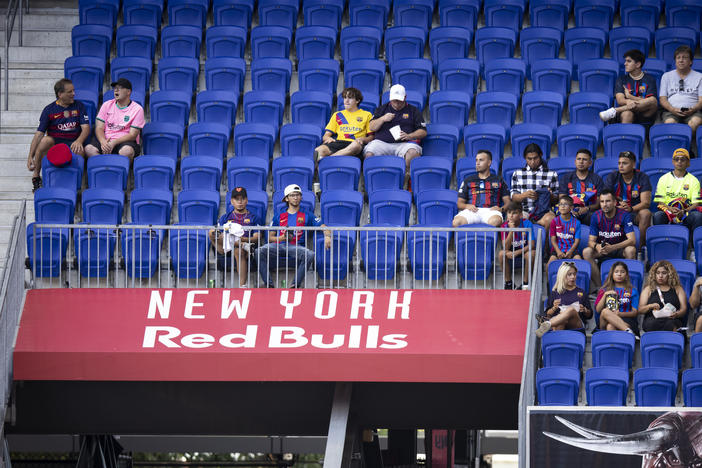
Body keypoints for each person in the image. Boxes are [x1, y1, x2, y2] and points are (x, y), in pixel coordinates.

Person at [257, 184, 331, 288]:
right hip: (279, 245)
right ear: (286, 199)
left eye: (298, 195)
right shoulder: (279, 215)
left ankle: (295, 284)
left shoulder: (307, 214)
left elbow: (324, 226)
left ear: (301, 197)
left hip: (296, 247)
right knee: (259, 251)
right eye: (292, 195)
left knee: (309, 254)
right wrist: (281, 238)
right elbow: (270, 237)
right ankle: (268, 283)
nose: (295, 197)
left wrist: (327, 236)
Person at [27, 78, 90, 192]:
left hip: (73, 142)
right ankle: (36, 176)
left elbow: (86, 128)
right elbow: (39, 134)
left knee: (80, 150)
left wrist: (79, 140)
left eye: (73, 91)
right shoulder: (49, 110)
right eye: (70, 92)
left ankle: (77, 185)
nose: (73, 94)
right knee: (45, 141)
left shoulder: (79, 106)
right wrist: (30, 156)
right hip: (55, 143)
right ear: (60, 94)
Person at [363, 84, 427, 187]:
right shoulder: (382, 109)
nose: (397, 104)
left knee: (413, 152)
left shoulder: (413, 110)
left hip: (404, 143)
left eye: (399, 100)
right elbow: (372, 127)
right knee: (369, 154)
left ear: (405, 97)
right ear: (390, 98)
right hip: (381, 143)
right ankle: (372, 184)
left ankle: (405, 180)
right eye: (394, 100)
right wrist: (383, 119)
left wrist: (409, 136)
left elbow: (423, 131)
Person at [208, 187, 261, 288]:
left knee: (238, 251)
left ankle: (242, 286)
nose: (240, 202)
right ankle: (240, 244)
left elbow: (256, 237)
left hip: (245, 249)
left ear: (247, 200)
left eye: (242, 199)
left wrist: (242, 240)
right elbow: (218, 233)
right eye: (237, 199)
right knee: (211, 232)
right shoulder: (225, 217)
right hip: (224, 248)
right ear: (232, 201)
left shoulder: (254, 217)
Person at [583, 189, 637, 286]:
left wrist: (613, 247)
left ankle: (626, 286)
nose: (605, 204)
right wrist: (597, 246)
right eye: (602, 202)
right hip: (603, 249)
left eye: (608, 201)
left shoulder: (624, 215)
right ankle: (601, 287)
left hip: (620, 249)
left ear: (614, 202)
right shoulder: (596, 216)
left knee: (631, 250)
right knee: (587, 252)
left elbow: (632, 240)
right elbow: (590, 241)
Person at [84, 78, 145, 159]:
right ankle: (104, 166)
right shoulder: (106, 105)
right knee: (89, 149)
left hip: (125, 141)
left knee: (126, 151)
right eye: (115, 88)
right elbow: (99, 127)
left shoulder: (137, 109)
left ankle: (123, 169)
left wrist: (114, 142)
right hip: (106, 138)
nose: (116, 90)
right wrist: (103, 142)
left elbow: (132, 135)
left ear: (128, 92)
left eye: (119, 88)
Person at [603, 150, 653, 245]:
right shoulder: (613, 176)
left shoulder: (642, 177)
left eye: (625, 163)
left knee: (646, 213)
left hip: (634, 212)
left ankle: (640, 249)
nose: (621, 166)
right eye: (619, 163)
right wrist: (615, 208)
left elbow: (646, 203)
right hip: (615, 211)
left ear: (633, 164)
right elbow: (606, 197)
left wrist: (630, 209)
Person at [452, 150, 510, 227]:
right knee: (456, 222)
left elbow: (508, 202)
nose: (477, 163)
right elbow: (459, 203)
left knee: (495, 221)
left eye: (481, 160)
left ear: (489, 163)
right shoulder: (468, 180)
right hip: (472, 211)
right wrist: (467, 206)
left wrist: (501, 209)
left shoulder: (499, 180)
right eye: (476, 160)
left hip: (491, 211)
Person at [599, 49, 658, 125]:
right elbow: (620, 100)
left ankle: (615, 111)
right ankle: (625, 135)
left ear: (638, 64)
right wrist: (628, 101)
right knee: (627, 114)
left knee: (653, 100)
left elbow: (650, 102)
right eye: (625, 61)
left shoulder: (649, 79)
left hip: (644, 113)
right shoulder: (621, 79)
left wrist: (630, 97)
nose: (625, 64)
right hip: (627, 111)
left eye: (629, 61)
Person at [652, 148, 702, 236]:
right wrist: (670, 209)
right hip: (668, 210)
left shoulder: (694, 181)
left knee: (697, 216)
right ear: (673, 162)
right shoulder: (663, 179)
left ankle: (694, 247)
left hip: (686, 212)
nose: (679, 161)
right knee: (658, 215)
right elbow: (660, 202)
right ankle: (661, 243)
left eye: (683, 159)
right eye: (676, 159)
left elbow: (696, 204)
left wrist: (684, 210)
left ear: (688, 163)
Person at [536, 261, 593, 338]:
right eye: (569, 274)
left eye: (574, 274)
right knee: (561, 320)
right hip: (560, 324)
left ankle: (548, 324)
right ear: (562, 276)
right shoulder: (555, 292)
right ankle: (557, 345)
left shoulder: (581, 292)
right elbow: (548, 314)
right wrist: (554, 308)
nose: (573, 277)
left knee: (571, 310)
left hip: (576, 325)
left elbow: (590, 315)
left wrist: (585, 310)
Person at [314, 87, 373, 160]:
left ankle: (328, 160)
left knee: (356, 146)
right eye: (345, 98)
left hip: (354, 143)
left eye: (350, 98)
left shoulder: (367, 115)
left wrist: (363, 139)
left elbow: (371, 137)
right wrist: (328, 138)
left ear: (357, 100)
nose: (346, 101)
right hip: (338, 143)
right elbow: (326, 136)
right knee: (318, 151)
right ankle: (328, 162)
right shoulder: (337, 115)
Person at [510, 143, 559, 229]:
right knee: (513, 218)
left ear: (540, 156)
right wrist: (524, 195)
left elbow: (556, 199)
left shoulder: (552, 174)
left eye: (535, 158)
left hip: (544, 212)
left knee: (551, 219)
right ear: (525, 158)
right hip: (524, 211)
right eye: (529, 159)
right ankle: (518, 242)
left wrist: (549, 195)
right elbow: (513, 197)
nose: (532, 162)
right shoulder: (517, 173)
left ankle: (546, 243)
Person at [659, 45, 702, 135]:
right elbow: (662, 99)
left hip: (693, 111)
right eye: (678, 58)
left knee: (695, 122)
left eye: (685, 57)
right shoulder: (666, 76)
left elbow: (701, 100)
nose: (681, 60)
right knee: (670, 123)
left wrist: (693, 109)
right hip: (671, 111)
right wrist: (672, 109)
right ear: (675, 61)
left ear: (690, 61)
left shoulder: (699, 77)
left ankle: (685, 148)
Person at [557, 148, 603, 225]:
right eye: (579, 159)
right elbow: (562, 198)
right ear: (575, 162)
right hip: (569, 210)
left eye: (584, 159)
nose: (581, 162)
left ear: (590, 163)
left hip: (589, 212)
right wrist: (571, 209)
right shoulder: (566, 178)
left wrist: (586, 208)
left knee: (596, 217)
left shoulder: (596, 179)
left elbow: (598, 202)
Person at [639, 260, 687, 332]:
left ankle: (673, 342)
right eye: (658, 273)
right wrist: (650, 306)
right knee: (652, 323)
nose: (660, 276)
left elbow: (684, 309)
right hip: (652, 319)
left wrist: (676, 314)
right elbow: (640, 309)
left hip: (672, 319)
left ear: (670, 274)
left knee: (671, 324)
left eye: (664, 273)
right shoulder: (648, 289)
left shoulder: (678, 289)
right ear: (654, 274)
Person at [499, 202, 537, 290]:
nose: (511, 216)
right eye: (509, 213)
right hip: (511, 251)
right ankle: (508, 283)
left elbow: (532, 245)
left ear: (520, 215)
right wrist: (512, 230)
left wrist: (518, 252)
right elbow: (505, 247)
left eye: (514, 213)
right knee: (501, 254)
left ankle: (525, 284)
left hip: (524, 250)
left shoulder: (527, 223)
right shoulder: (504, 226)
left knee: (531, 254)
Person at [595, 261, 639, 334]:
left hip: (626, 319)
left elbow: (634, 312)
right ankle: (629, 332)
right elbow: (598, 310)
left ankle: (614, 344)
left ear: (627, 275)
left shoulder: (632, 291)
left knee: (610, 326)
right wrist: (605, 295)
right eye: (616, 272)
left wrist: (619, 314)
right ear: (612, 274)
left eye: (622, 272)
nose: (619, 274)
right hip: (605, 320)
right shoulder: (604, 290)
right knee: (605, 311)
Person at [547, 195, 582, 265]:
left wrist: (570, 251)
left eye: (565, 204)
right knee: (549, 265)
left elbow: (577, 241)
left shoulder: (577, 223)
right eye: (560, 204)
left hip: (572, 250)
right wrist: (558, 251)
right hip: (557, 249)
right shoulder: (554, 221)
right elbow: (553, 240)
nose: (562, 206)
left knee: (579, 262)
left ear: (571, 207)